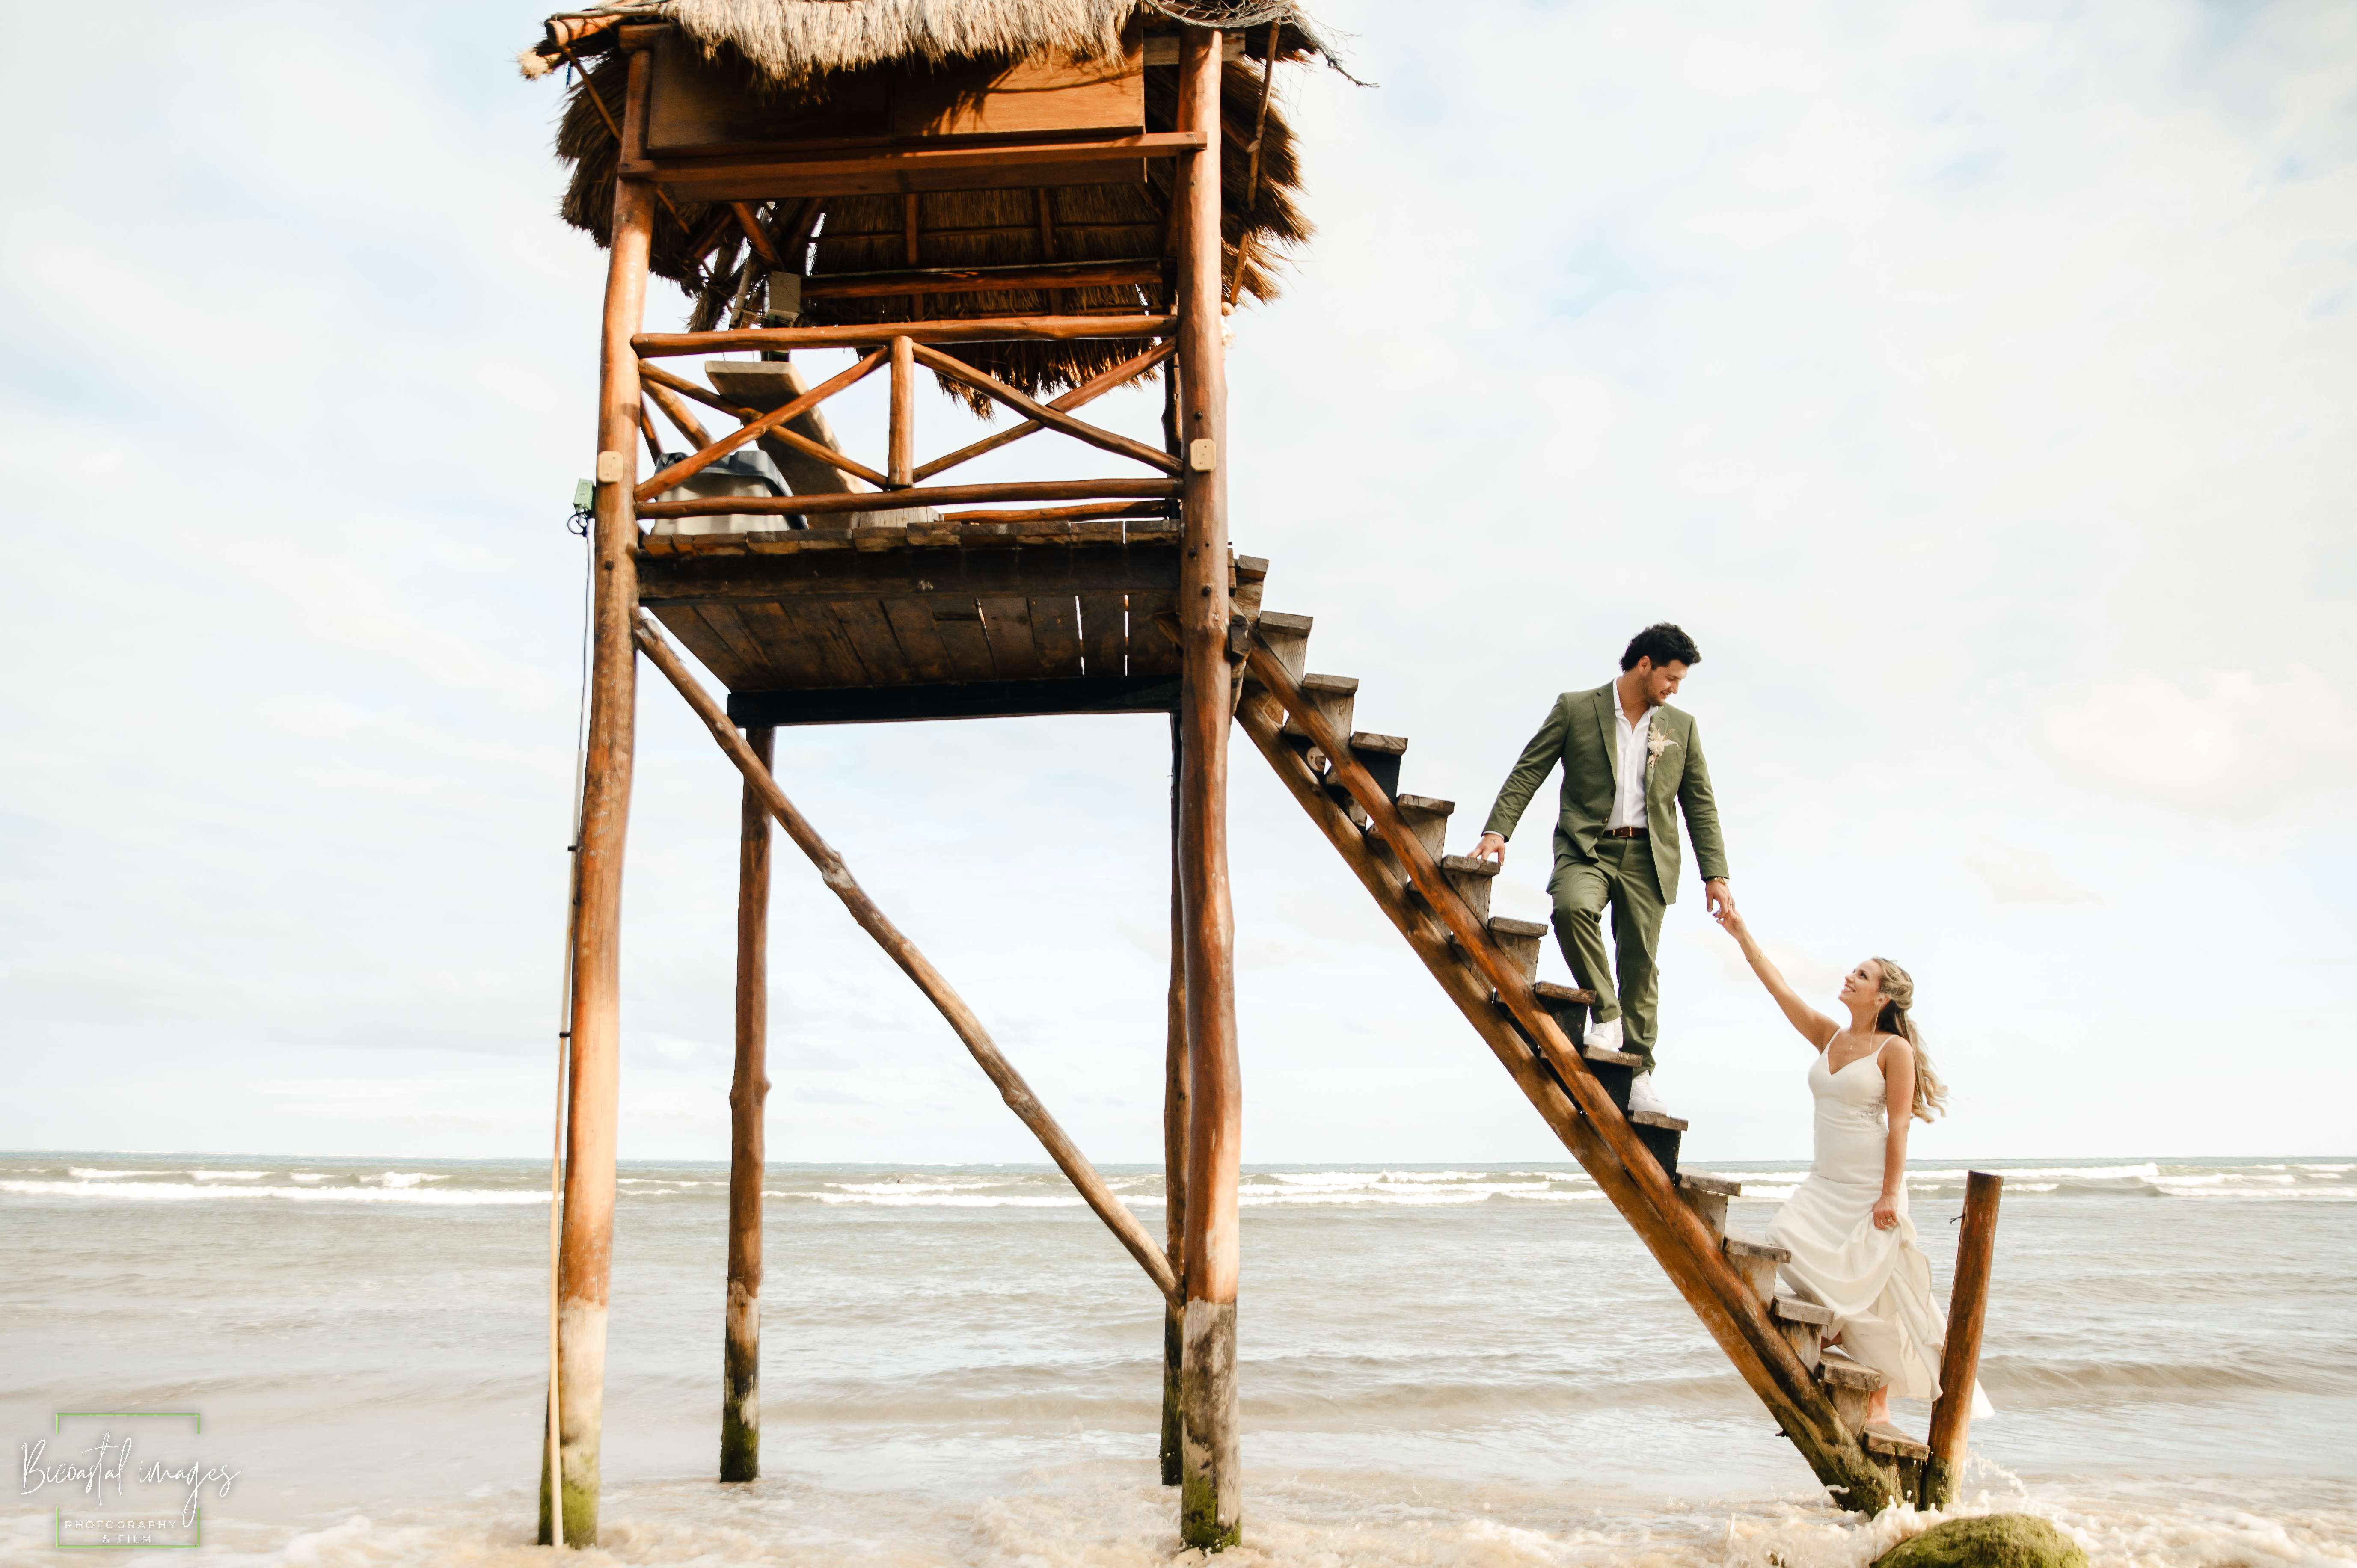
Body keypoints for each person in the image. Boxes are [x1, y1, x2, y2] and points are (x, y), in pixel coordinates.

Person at [1714, 906, 1988, 1429]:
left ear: (1881, 996)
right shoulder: (1830, 1036)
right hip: (1825, 1183)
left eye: (1861, 975)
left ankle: (1877, 1398)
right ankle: (1834, 1334)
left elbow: (1901, 1126)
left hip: (1869, 1187)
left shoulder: (1895, 1049)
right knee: (1784, 1239)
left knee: (1874, 1292)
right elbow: (1780, 992)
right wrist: (1741, 932)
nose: (1849, 977)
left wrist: (1889, 1194)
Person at [1468, 623, 1731, 1116]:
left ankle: (1641, 1074)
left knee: (1640, 968)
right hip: (1585, 848)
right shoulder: (1575, 707)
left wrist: (1714, 874)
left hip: (1648, 859)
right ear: (1644, 664)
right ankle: (1606, 1015)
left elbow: (1700, 804)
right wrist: (1498, 830)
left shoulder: (1681, 726)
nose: (1674, 689)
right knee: (1570, 909)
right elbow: (1531, 768)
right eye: (1671, 678)